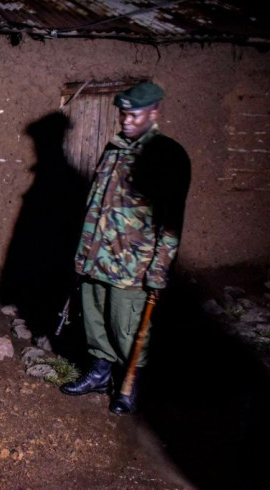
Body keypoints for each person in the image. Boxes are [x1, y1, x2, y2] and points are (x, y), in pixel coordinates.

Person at [60, 82, 191, 414]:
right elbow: (97, 204)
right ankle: (100, 374)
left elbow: (171, 221)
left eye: (134, 115)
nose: (126, 120)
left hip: (133, 266)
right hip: (95, 259)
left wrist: (159, 270)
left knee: (127, 328)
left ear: (153, 112)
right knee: (94, 322)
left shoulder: (167, 155)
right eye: (123, 114)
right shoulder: (114, 148)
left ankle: (130, 385)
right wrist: (84, 253)